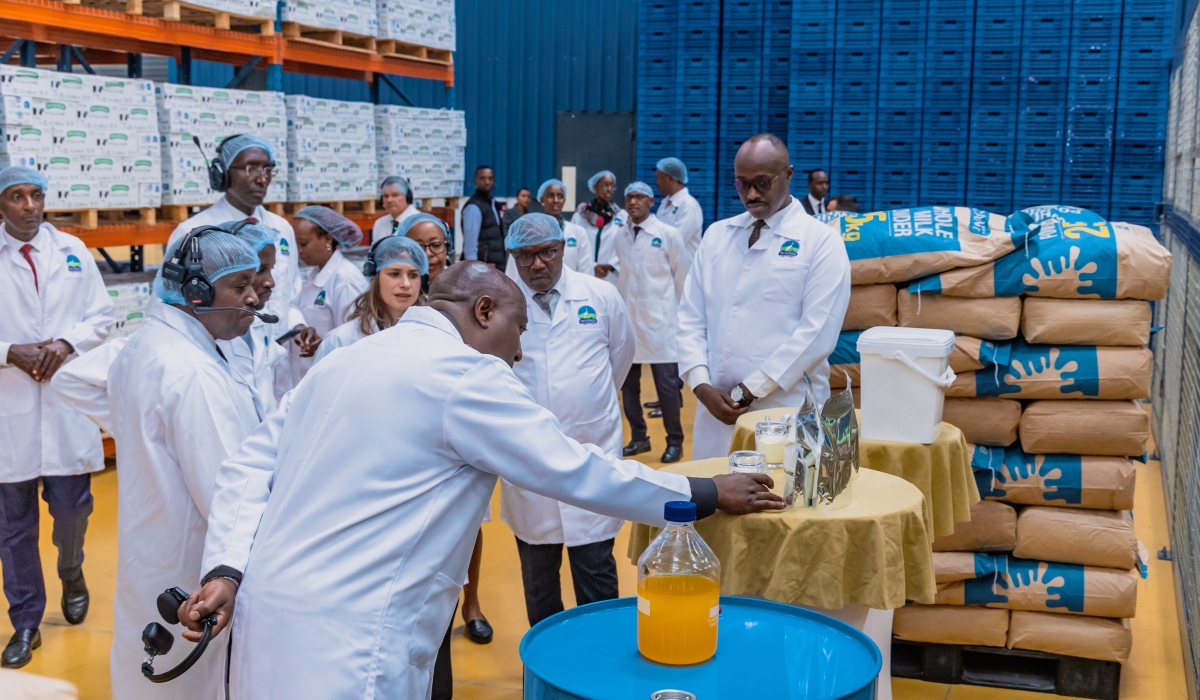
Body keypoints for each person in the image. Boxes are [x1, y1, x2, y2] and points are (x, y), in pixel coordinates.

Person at [178, 261, 784, 698]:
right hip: (350, 640)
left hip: (266, 621)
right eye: (519, 333)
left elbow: (249, 464)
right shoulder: (462, 375)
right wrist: (702, 493)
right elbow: (570, 467)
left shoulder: (347, 359)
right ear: (484, 311)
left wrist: (226, 566)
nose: (519, 354)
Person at [103, 229, 261, 699]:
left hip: (153, 551)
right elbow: (225, 496)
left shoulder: (144, 346)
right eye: (241, 286)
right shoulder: (190, 373)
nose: (255, 297)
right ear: (196, 293)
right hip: (194, 565)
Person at [0, 167, 113, 668]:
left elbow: (103, 316)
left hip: (66, 406)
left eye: (36, 195)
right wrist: (9, 351)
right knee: (12, 526)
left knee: (72, 512)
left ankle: (72, 569)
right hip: (10, 409)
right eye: (16, 196)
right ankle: (25, 620)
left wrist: (66, 344)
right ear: (1, 205)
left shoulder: (71, 250)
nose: (29, 205)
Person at [678, 134, 851, 459]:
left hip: (784, 408)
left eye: (762, 183)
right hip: (716, 411)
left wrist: (751, 389)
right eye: (742, 184)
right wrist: (701, 384)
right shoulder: (717, 236)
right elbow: (689, 318)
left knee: (781, 503)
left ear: (788, 174)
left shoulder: (821, 243)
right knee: (716, 499)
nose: (752, 194)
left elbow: (817, 333)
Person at [501, 214, 635, 626]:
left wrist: (586, 404)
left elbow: (621, 359)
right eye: (525, 256)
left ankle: (599, 671)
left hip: (591, 452)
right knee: (539, 581)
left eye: (547, 252)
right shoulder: (501, 306)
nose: (537, 264)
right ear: (513, 257)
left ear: (563, 249)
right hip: (530, 461)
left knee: (596, 570)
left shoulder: (600, 295)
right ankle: (548, 675)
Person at [169, 134, 301, 401]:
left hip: (278, 362)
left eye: (267, 169)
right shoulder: (194, 233)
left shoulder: (282, 229)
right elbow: (173, 306)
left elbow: (291, 291)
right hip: (223, 361)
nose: (262, 178)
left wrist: (298, 325)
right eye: (251, 168)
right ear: (221, 174)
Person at [613, 182, 688, 464]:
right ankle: (639, 438)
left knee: (667, 387)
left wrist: (681, 319)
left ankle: (675, 442)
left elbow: (682, 278)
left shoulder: (668, 234)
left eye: (639, 197)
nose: (633, 202)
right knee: (628, 387)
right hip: (629, 322)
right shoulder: (620, 236)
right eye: (629, 197)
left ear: (651, 201)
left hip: (661, 323)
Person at [314, 235, 428, 362]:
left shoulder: (430, 338)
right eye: (394, 274)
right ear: (375, 278)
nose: (406, 284)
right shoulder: (340, 342)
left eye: (413, 275)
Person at [287, 206, 368, 384]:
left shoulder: (345, 279)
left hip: (334, 378)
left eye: (303, 243)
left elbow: (353, 340)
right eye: (296, 244)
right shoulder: (315, 274)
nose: (299, 251)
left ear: (328, 239)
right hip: (311, 375)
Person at [214, 220, 284, 416]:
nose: (271, 282)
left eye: (272, 269)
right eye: (260, 270)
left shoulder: (261, 318)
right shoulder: (210, 332)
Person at [505, 179, 595, 278]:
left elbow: (586, 272)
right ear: (542, 199)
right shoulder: (527, 231)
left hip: (573, 291)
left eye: (560, 196)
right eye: (550, 196)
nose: (556, 200)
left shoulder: (578, 232)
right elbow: (512, 273)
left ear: (564, 201)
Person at [570, 170, 625, 285]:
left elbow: (626, 245)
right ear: (595, 187)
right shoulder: (581, 216)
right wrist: (594, 266)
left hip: (611, 274)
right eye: (605, 185)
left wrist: (610, 265)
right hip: (586, 273)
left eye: (612, 185)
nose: (609, 189)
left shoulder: (622, 216)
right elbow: (576, 246)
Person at [654, 157, 704, 264]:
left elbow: (675, 242)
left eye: (659, 178)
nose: (656, 182)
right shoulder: (664, 204)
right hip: (666, 270)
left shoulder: (689, 206)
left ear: (670, 179)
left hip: (685, 273)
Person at [463, 165, 506, 267]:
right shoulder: (473, 207)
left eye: (490, 178)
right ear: (475, 181)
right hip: (484, 267)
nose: (487, 182)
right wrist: (473, 267)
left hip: (497, 265)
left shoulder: (492, 203)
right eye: (482, 178)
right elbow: (470, 245)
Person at [402, 212, 452, 290]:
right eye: (418, 247)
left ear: (447, 247)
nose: (428, 253)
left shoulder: (464, 289)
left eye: (436, 245)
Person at [372, 175, 419, 241]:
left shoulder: (419, 222)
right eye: (386, 196)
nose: (389, 200)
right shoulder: (379, 223)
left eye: (395, 195)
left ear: (408, 197)